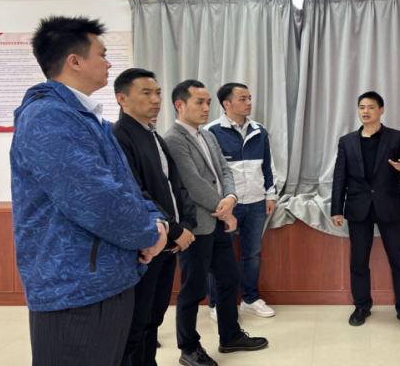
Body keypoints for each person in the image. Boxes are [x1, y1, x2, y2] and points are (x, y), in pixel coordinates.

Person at [10, 16, 168, 366]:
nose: (109, 63)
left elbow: (124, 185)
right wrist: (149, 234)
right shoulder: (48, 117)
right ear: (75, 61)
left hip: (105, 276)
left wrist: (156, 221)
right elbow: (95, 199)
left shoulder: (85, 117)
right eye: (102, 54)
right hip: (75, 286)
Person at [164, 80, 269, 366]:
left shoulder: (207, 134)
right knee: (193, 290)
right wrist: (225, 211)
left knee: (229, 280)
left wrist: (231, 198)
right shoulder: (174, 138)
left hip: (219, 222)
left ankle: (230, 336)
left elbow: (224, 170)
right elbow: (193, 183)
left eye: (208, 102)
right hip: (197, 227)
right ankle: (188, 349)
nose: (206, 107)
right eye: (199, 102)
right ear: (180, 105)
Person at [113, 68, 198, 366]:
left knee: (154, 318)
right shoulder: (119, 137)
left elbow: (176, 185)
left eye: (158, 92)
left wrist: (186, 225)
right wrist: (174, 230)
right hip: (148, 244)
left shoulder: (153, 135)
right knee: (136, 325)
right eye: (146, 93)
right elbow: (135, 192)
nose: (156, 99)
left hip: (169, 241)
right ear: (122, 99)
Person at [330, 91, 400, 331]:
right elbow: (339, 177)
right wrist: (336, 209)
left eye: (370, 107)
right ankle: (362, 306)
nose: (365, 111)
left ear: (381, 110)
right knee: (359, 261)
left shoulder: (397, 137)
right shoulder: (347, 141)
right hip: (358, 208)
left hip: (389, 207)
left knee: (399, 261)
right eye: (362, 107)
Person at [205, 83, 277, 320]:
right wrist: (218, 203)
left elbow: (268, 165)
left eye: (249, 98)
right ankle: (217, 303)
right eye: (242, 99)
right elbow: (209, 173)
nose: (249, 103)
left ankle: (250, 299)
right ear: (226, 104)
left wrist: (270, 195)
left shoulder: (259, 130)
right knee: (219, 255)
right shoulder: (211, 132)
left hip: (256, 202)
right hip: (227, 205)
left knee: (252, 253)